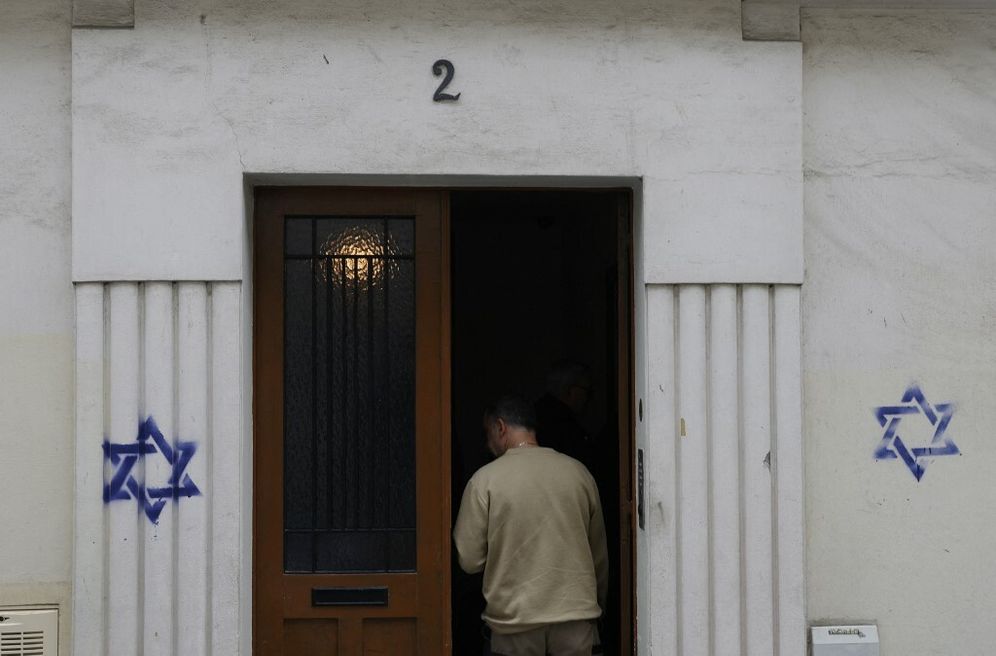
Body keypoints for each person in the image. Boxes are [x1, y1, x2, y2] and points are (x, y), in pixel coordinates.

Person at [453, 395, 608, 656]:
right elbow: (599, 556)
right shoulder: (579, 473)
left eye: (487, 431)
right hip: (575, 618)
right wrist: (599, 608)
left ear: (500, 427)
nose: (486, 441)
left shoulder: (484, 481)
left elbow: (469, 560)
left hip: (514, 623)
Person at [534, 360, 595, 470]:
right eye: (587, 391)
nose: (588, 399)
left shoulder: (535, 414)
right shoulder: (566, 427)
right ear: (570, 390)